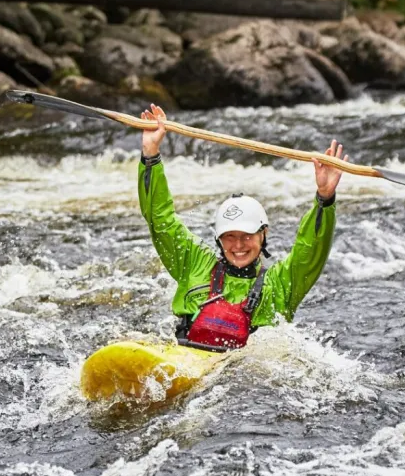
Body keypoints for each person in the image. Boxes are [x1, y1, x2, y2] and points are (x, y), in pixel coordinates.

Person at [138, 104, 348, 352]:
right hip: (184, 358)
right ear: (218, 239)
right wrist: (150, 155)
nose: (238, 245)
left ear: (263, 234)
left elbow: (311, 248)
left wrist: (324, 198)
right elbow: (160, 219)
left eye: (247, 236)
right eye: (229, 237)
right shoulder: (193, 264)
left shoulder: (280, 284)